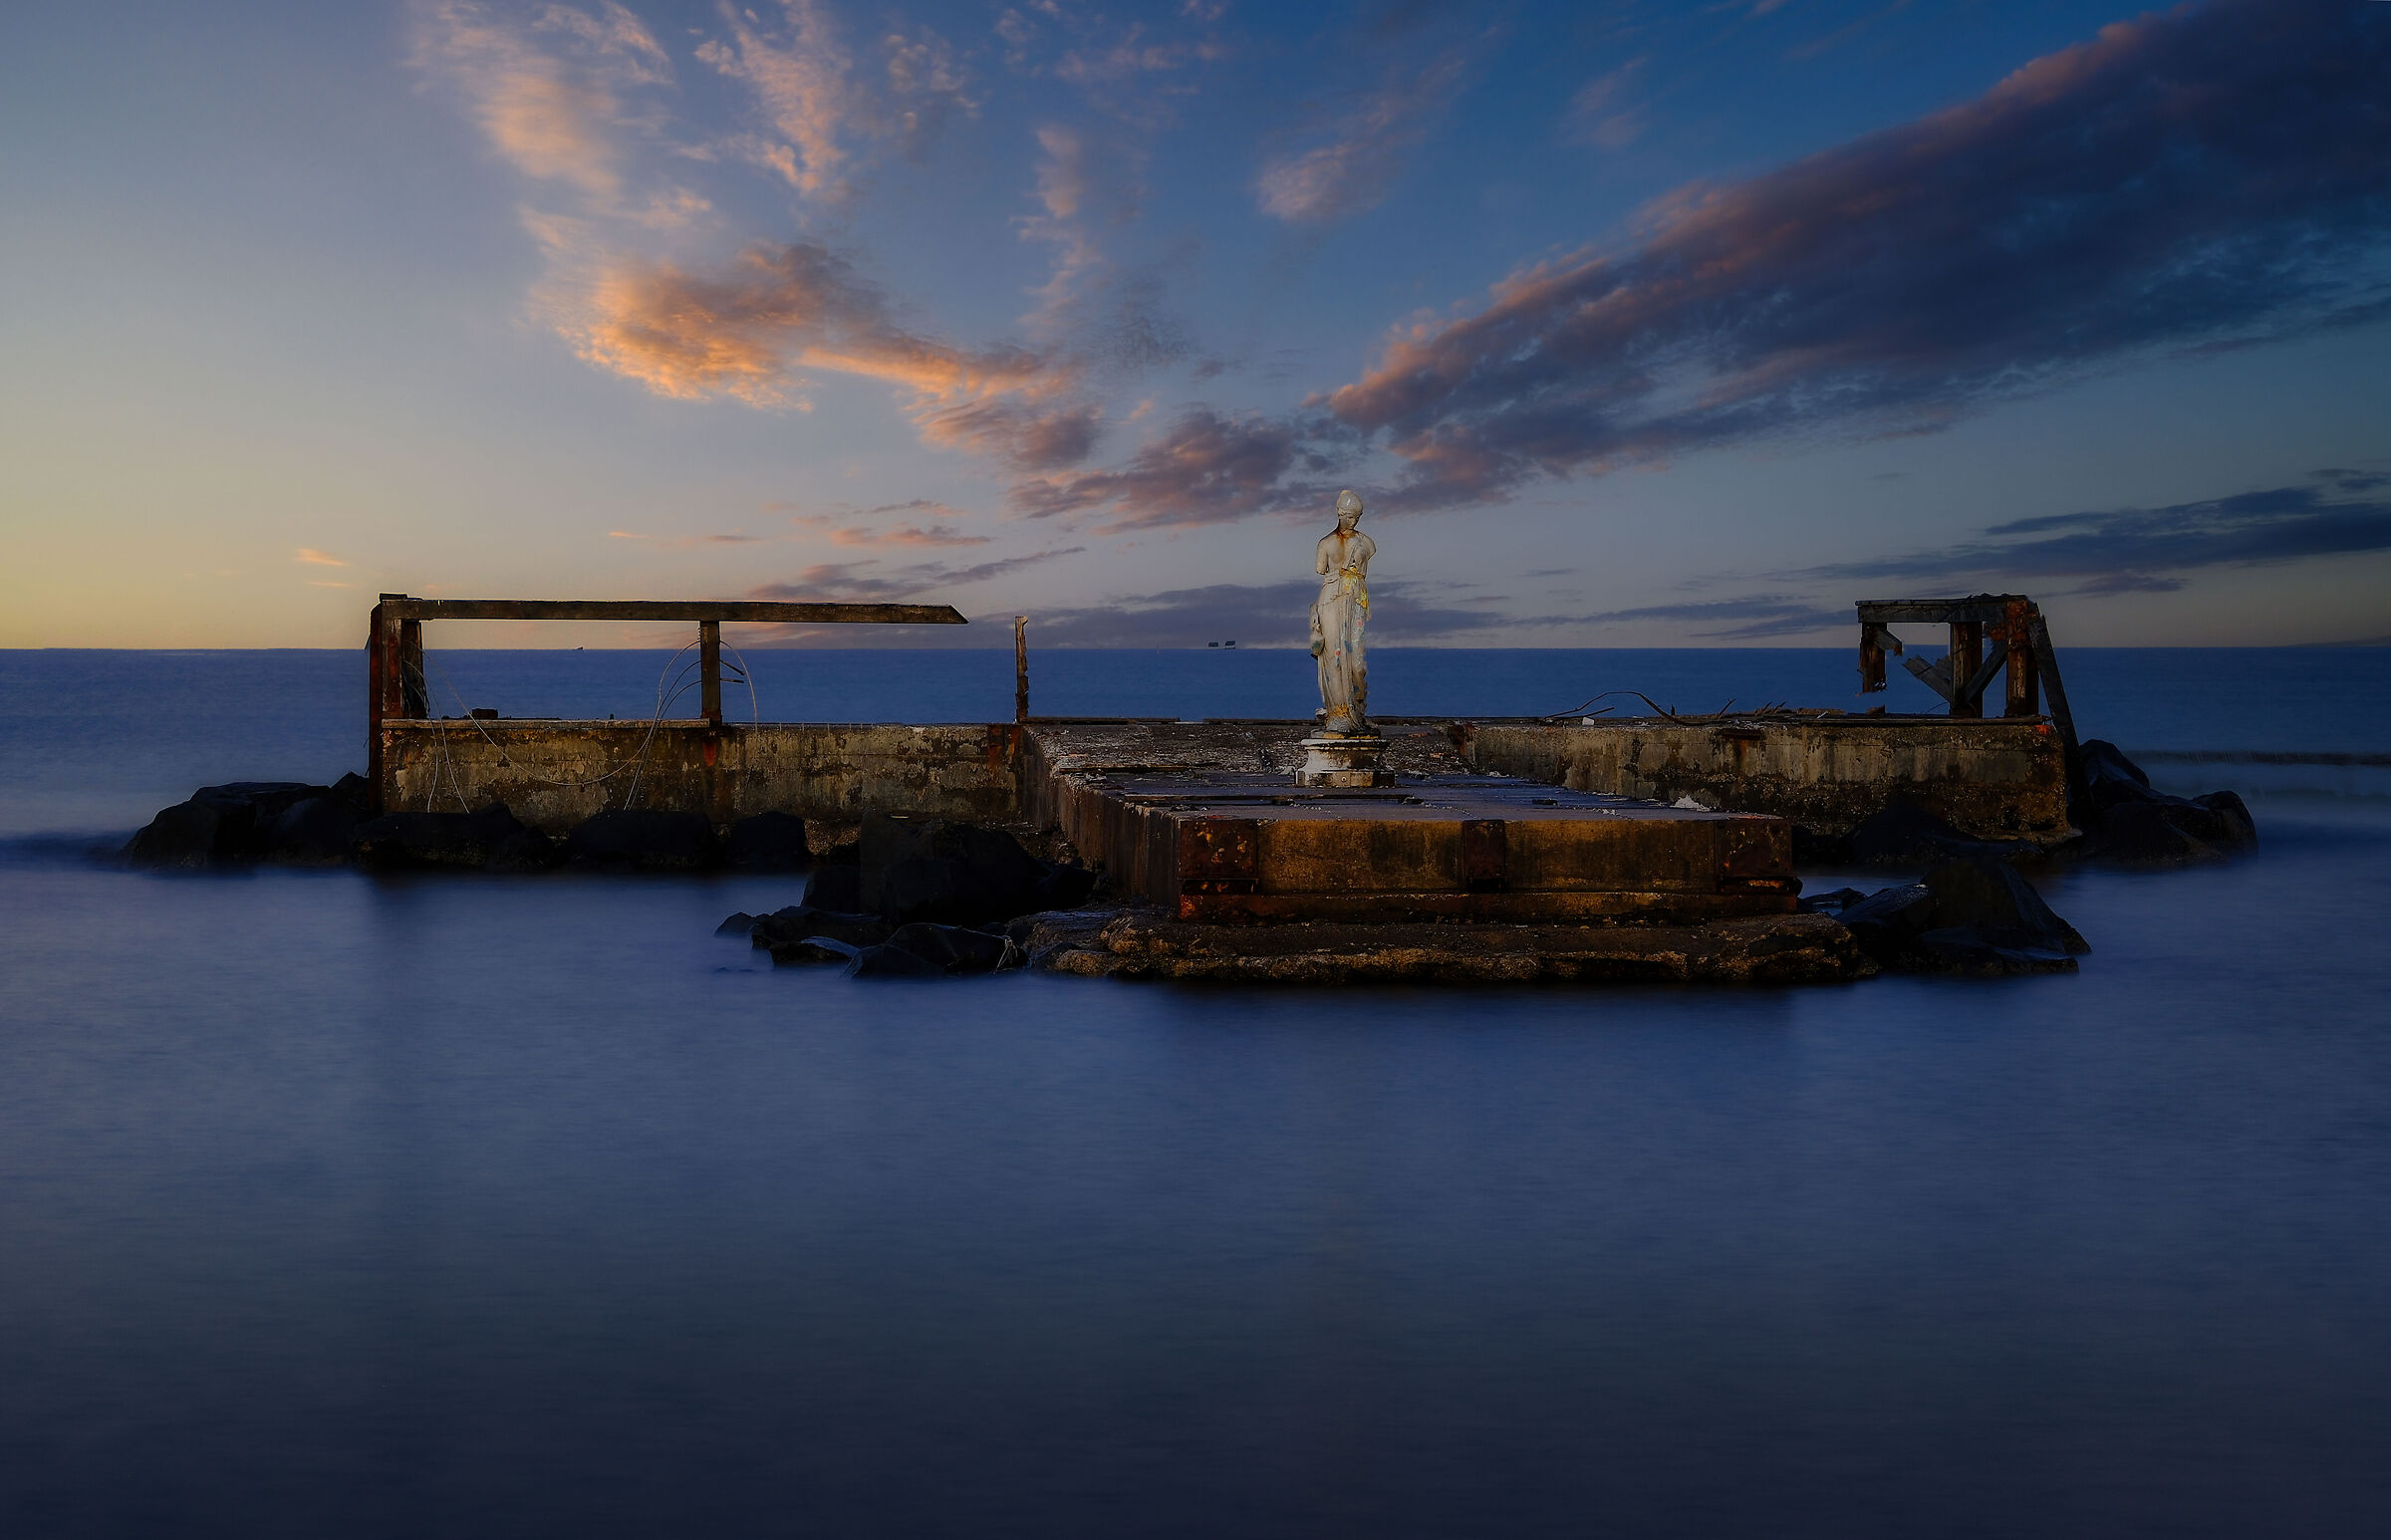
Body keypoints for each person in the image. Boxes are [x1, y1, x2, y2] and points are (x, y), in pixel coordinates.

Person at [1309, 489, 1375, 737]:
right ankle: (1337, 713)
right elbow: (1321, 571)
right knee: (1334, 659)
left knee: (1357, 664)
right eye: (1349, 516)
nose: (1354, 521)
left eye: (1357, 516)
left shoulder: (1366, 543)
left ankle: (1356, 713)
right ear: (1339, 513)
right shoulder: (1325, 544)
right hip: (1330, 600)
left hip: (1354, 600)